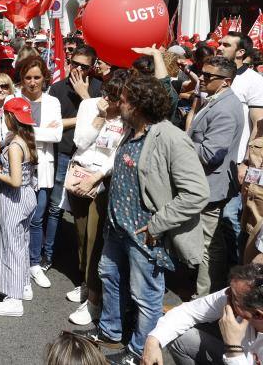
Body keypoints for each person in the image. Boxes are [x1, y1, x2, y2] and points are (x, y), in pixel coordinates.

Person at [76, 74, 209, 365]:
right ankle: (110, 330)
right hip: (117, 228)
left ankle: (140, 351)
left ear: (137, 106)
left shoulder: (170, 138)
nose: (117, 104)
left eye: (122, 101)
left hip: (145, 233)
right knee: (110, 277)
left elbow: (197, 193)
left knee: (145, 295)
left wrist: (158, 225)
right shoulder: (130, 129)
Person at [65, 70, 130, 327]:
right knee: (81, 236)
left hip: (103, 181)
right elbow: (80, 141)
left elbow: (119, 152)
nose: (108, 100)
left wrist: (100, 175)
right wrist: (100, 118)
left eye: (114, 97)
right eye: (106, 94)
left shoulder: (127, 115)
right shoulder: (90, 105)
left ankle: (94, 299)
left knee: (95, 240)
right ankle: (86, 283)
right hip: (79, 173)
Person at [185, 55, 244, 296]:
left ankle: (203, 298)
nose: (202, 77)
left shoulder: (226, 109)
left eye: (208, 76)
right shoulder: (218, 100)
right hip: (206, 183)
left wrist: (180, 144)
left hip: (210, 185)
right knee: (209, 241)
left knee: (209, 245)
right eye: (202, 72)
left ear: (226, 82)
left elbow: (210, 154)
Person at [44, 46, 101, 271]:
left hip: (88, 158)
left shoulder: (98, 89)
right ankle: (48, 254)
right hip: (64, 153)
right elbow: (52, 123)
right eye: (73, 63)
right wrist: (83, 118)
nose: (77, 69)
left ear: (92, 68)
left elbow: (104, 122)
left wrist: (85, 98)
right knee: (55, 206)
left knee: (83, 211)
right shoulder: (57, 89)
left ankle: (83, 263)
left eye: (83, 66)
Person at [142, 263, 263, 364]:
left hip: (237, 356)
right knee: (179, 337)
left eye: (233, 297)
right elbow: (188, 312)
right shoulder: (234, 294)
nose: (226, 294)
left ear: (258, 314)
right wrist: (153, 340)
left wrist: (233, 348)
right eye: (229, 289)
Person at [0, 97, 38, 317]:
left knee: (11, 247)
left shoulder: (16, 145)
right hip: (28, 196)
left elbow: (15, 180)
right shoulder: (25, 139)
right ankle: (23, 285)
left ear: (9, 117)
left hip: (14, 197)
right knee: (22, 243)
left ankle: (13, 300)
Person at [15, 56, 62, 288]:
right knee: (18, 218)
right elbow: (10, 133)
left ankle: (35, 262)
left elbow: (57, 135)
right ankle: (19, 261)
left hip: (43, 168)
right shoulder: (14, 100)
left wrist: (28, 130)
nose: (32, 82)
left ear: (44, 78)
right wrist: (43, 130)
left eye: (37, 77)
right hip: (19, 167)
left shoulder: (52, 102)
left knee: (37, 218)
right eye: (28, 78)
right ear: (22, 79)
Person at [217, 32, 263, 264]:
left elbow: (257, 125)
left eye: (226, 44)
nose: (219, 46)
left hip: (236, 163)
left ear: (241, 52)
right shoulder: (213, 73)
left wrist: (246, 161)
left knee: (230, 217)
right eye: (219, 42)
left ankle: (235, 271)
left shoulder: (254, 81)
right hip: (211, 158)